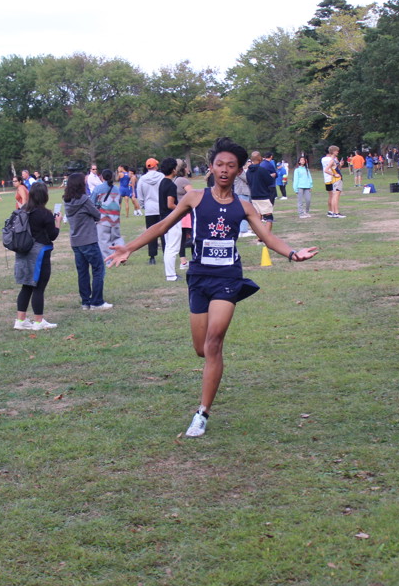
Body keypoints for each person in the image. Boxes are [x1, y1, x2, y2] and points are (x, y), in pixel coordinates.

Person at [105, 137, 318, 438]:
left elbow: (268, 238)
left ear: (239, 171)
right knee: (201, 349)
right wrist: (129, 247)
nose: (224, 170)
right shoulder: (194, 198)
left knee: (214, 342)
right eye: (220, 164)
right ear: (212, 167)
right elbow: (162, 226)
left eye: (231, 166)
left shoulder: (244, 206)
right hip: (199, 278)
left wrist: (293, 253)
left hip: (228, 279)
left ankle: (202, 413)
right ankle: (211, 371)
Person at [13, 183, 61, 331]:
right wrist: (58, 223)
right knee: (39, 287)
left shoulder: (23, 210)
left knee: (26, 286)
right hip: (40, 253)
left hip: (23, 252)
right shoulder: (44, 213)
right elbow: (52, 235)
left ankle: (20, 320)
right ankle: (38, 321)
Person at [63, 173, 112, 310]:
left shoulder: (67, 201)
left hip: (76, 241)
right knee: (98, 269)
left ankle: (86, 301)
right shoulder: (84, 200)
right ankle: (97, 302)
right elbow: (97, 215)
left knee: (82, 272)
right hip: (88, 240)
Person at [156, 158, 182, 281]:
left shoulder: (162, 182)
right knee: (173, 248)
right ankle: (171, 275)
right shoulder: (171, 185)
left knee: (168, 247)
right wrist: (182, 209)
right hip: (172, 219)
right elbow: (170, 204)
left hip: (163, 218)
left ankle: (170, 273)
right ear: (173, 170)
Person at [136, 158, 164, 265]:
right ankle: (166, 254)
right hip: (161, 208)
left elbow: (140, 195)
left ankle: (152, 257)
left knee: (151, 234)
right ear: (156, 166)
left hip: (149, 209)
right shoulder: (162, 177)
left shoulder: (142, 179)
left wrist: (143, 205)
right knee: (164, 233)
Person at [92, 168, 123, 260]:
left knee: (104, 240)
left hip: (103, 218)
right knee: (117, 238)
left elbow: (91, 202)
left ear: (102, 177)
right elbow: (119, 201)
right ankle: (122, 255)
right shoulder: (117, 189)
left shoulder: (98, 188)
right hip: (115, 218)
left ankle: (109, 260)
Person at [246, 150, 276, 232]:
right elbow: (270, 181)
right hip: (263, 196)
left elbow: (248, 182)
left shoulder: (248, 171)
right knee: (269, 217)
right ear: (260, 159)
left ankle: (259, 234)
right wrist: (272, 176)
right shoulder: (262, 170)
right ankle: (266, 236)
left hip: (253, 196)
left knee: (258, 216)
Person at [173, 160, 194, 270]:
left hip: (179, 212)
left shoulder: (175, 179)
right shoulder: (183, 180)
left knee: (182, 237)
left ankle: (183, 261)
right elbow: (192, 194)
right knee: (191, 236)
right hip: (186, 213)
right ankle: (193, 260)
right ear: (184, 169)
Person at [321, 145, 345, 218]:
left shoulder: (331, 159)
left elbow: (336, 168)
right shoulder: (331, 160)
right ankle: (335, 212)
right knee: (335, 196)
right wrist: (334, 174)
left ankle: (332, 212)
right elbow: (326, 170)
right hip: (334, 179)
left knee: (333, 195)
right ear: (333, 151)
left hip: (333, 179)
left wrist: (339, 165)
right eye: (337, 151)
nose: (338, 152)